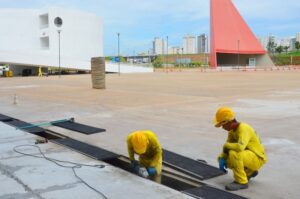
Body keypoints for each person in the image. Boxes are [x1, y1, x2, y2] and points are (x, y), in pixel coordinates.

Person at [214, 107, 267, 191]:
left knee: (234, 154)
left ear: (228, 122)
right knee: (225, 156)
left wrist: (226, 146)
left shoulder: (244, 128)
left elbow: (239, 147)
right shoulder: (232, 132)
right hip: (249, 156)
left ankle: (241, 182)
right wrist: (222, 158)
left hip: (257, 158)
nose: (222, 127)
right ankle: (249, 172)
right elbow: (227, 148)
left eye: (222, 125)